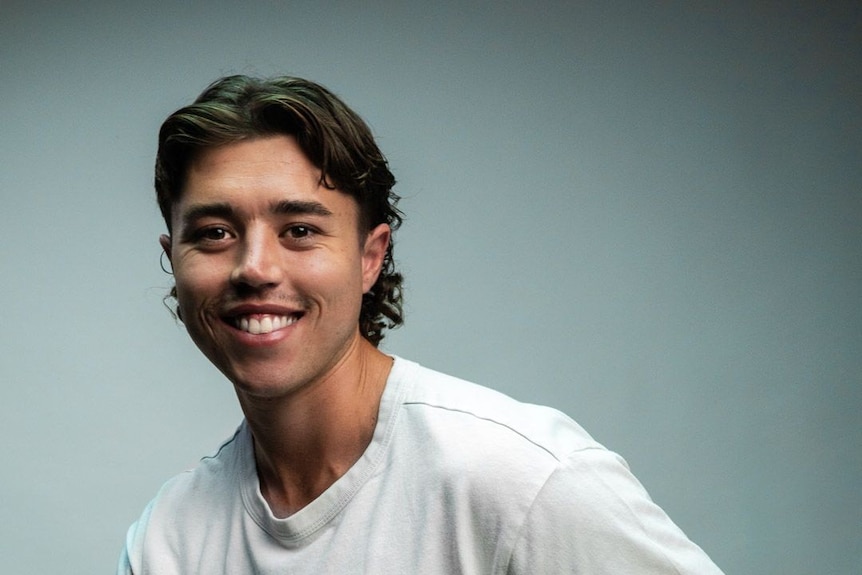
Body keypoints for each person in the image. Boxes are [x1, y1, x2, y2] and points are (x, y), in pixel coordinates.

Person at [118, 75, 723, 574]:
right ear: (176, 261)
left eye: (300, 230)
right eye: (215, 234)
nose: (254, 268)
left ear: (370, 257)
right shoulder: (168, 540)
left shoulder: (521, 480)